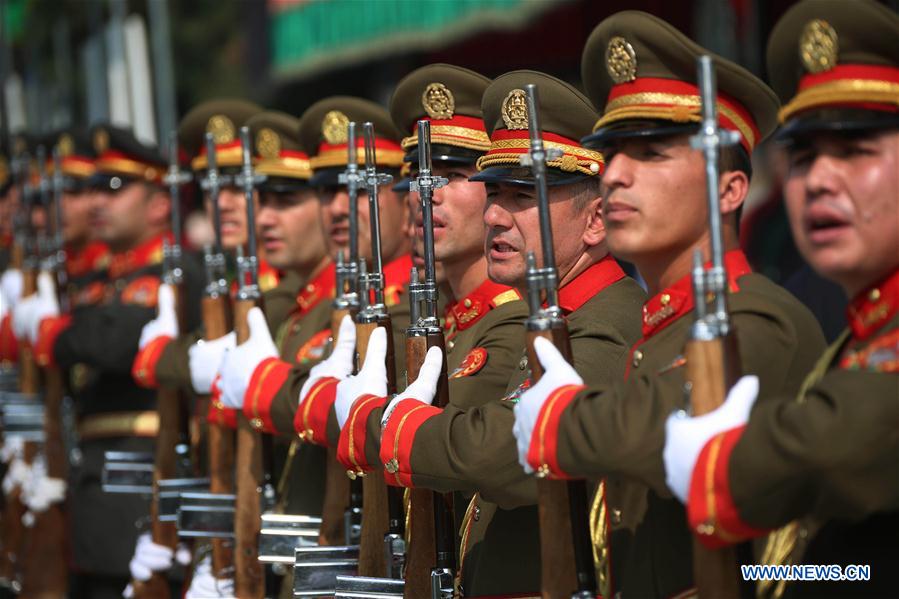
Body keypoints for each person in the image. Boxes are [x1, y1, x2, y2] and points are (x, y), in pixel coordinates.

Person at [509, 12, 828, 597]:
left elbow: (659, 422)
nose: (615, 176)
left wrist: (560, 420)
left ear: (730, 190)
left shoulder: (761, 319)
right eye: (612, 153)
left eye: (651, 153)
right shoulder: (658, 328)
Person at [663, 1, 899, 596]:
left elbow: (845, 447)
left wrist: (720, 466)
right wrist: (753, 581)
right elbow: (853, 565)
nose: (819, 178)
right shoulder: (862, 328)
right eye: (803, 156)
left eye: (853, 150)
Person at [20, 124, 201, 598]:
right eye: (94, 188)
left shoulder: (174, 272)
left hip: (140, 489)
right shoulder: (108, 278)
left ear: (160, 203)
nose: (97, 201)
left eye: (115, 188)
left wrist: (51, 333)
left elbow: (114, 341)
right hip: (96, 491)